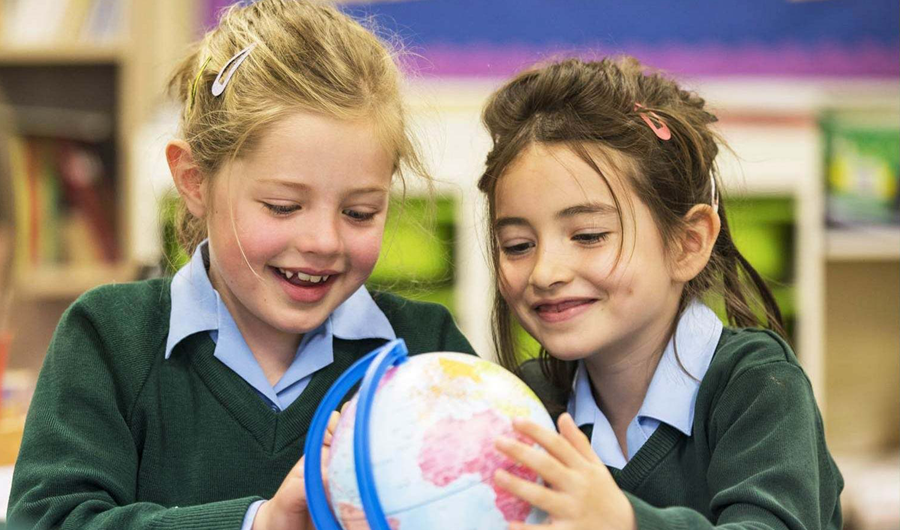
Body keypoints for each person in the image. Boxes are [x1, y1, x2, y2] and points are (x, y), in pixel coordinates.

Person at [7, 1, 473, 529]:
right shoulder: (111, 338)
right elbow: (46, 520)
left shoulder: (426, 352)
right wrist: (260, 523)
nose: (324, 242)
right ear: (194, 181)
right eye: (283, 206)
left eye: (359, 213)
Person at [477, 57, 843, 529]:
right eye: (517, 245)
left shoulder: (755, 385)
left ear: (688, 244)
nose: (544, 273)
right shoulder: (525, 403)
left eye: (588, 235)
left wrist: (626, 522)